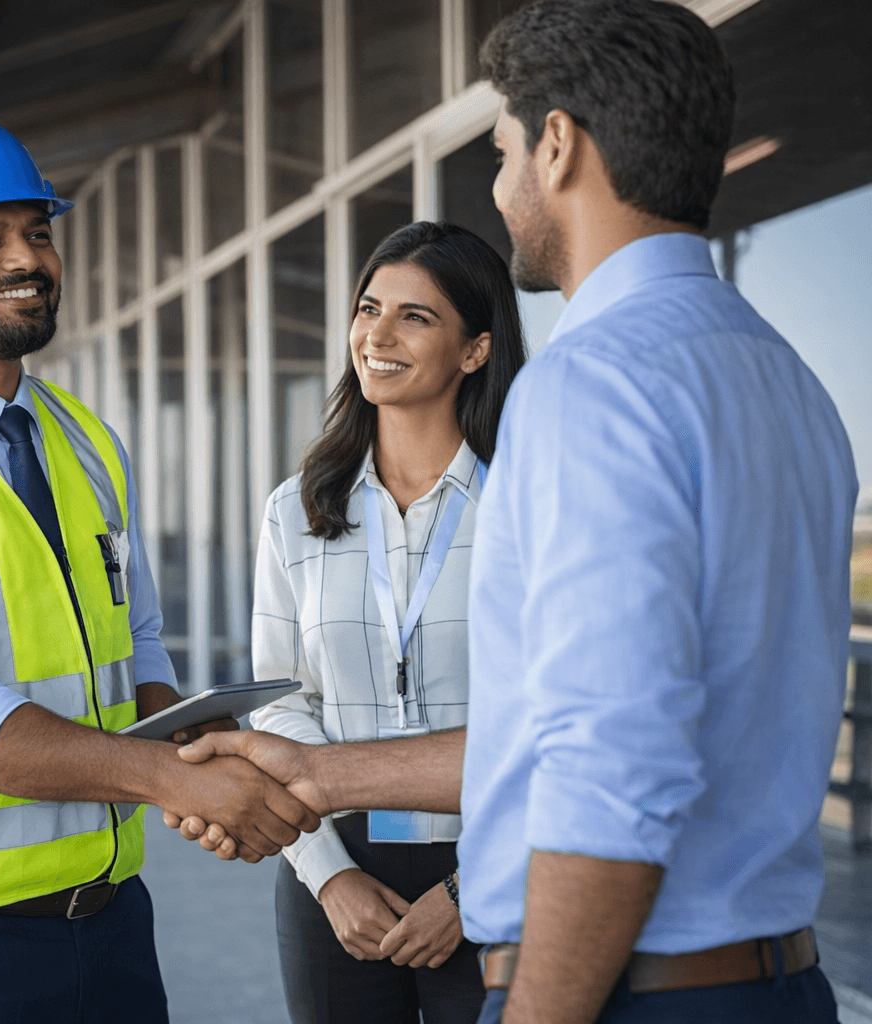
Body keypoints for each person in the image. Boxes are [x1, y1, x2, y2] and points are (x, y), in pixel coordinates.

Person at [173, 2, 857, 1023]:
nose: (499, 189)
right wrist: (316, 774)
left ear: (558, 144)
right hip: (774, 981)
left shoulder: (594, 383)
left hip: (624, 987)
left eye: (499, 153)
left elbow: (607, 759)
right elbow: (581, 722)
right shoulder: (789, 382)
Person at [0, 109, 318, 1024]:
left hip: (113, 919)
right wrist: (174, 783)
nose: (26, 258)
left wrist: (201, 753)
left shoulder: (85, 442)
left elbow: (137, 639)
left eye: (38, 231)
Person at [251, 221, 525, 1024]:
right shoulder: (295, 509)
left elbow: (553, 711)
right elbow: (276, 698)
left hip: (493, 862)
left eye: (416, 316)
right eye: (369, 307)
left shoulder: (525, 502)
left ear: (475, 350)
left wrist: (469, 889)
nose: (377, 333)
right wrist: (328, 874)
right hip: (334, 860)